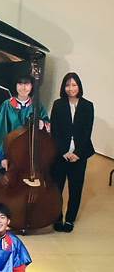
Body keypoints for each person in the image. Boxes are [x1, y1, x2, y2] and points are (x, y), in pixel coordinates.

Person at [51, 71, 95, 231]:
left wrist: (77, 153)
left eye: (74, 85)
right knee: (57, 188)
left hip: (79, 155)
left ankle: (70, 219)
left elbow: (86, 132)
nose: (71, 88)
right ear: (63, 87)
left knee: (76, 188)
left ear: (79, 86)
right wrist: (63, 151)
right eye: (67, 85)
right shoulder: (58, 104)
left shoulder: (88, 106)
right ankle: (57, 217)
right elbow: (55, 131)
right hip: (60, 154)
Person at [0, 75, 49, 172]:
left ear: (32, 86)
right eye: (20, 83)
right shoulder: (7, 105)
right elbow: (0, 133)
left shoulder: (37, 106)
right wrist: (2, 157)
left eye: (27, 84)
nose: (23, 87)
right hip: (10, 152)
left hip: (30, 154)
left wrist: (43, 124)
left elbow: (47, 125)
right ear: (15, 85)